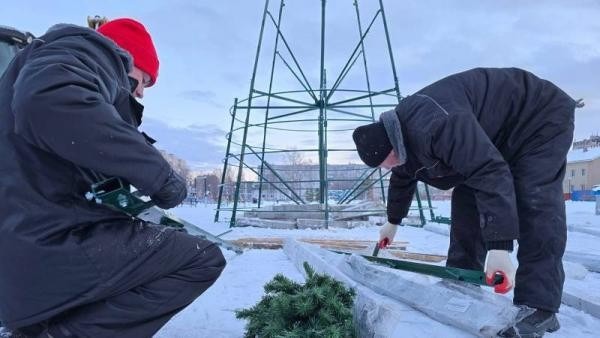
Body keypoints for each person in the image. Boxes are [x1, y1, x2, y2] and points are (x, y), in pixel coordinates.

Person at [0, 18, 226, 337]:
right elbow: (48, 101)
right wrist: (160, 176)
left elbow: (67, 142)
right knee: (200, 259)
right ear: (127, 58)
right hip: (47, 243)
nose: (141, 92)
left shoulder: (50, 61)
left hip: (25, 253)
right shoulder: (88, 51)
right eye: (144, 80)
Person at [352, 67, 576, 337]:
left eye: (384, 162)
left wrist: (499, 247)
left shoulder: (437, 125)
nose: (387, 168)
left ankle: (539, 308)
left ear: (391, 146)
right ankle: (461, 278)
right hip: (494, 135)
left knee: (534, 201)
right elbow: (402, 178)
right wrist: (392, 222)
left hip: (537, 117)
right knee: (467, 196)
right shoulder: (399, 138)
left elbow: (490, 172)